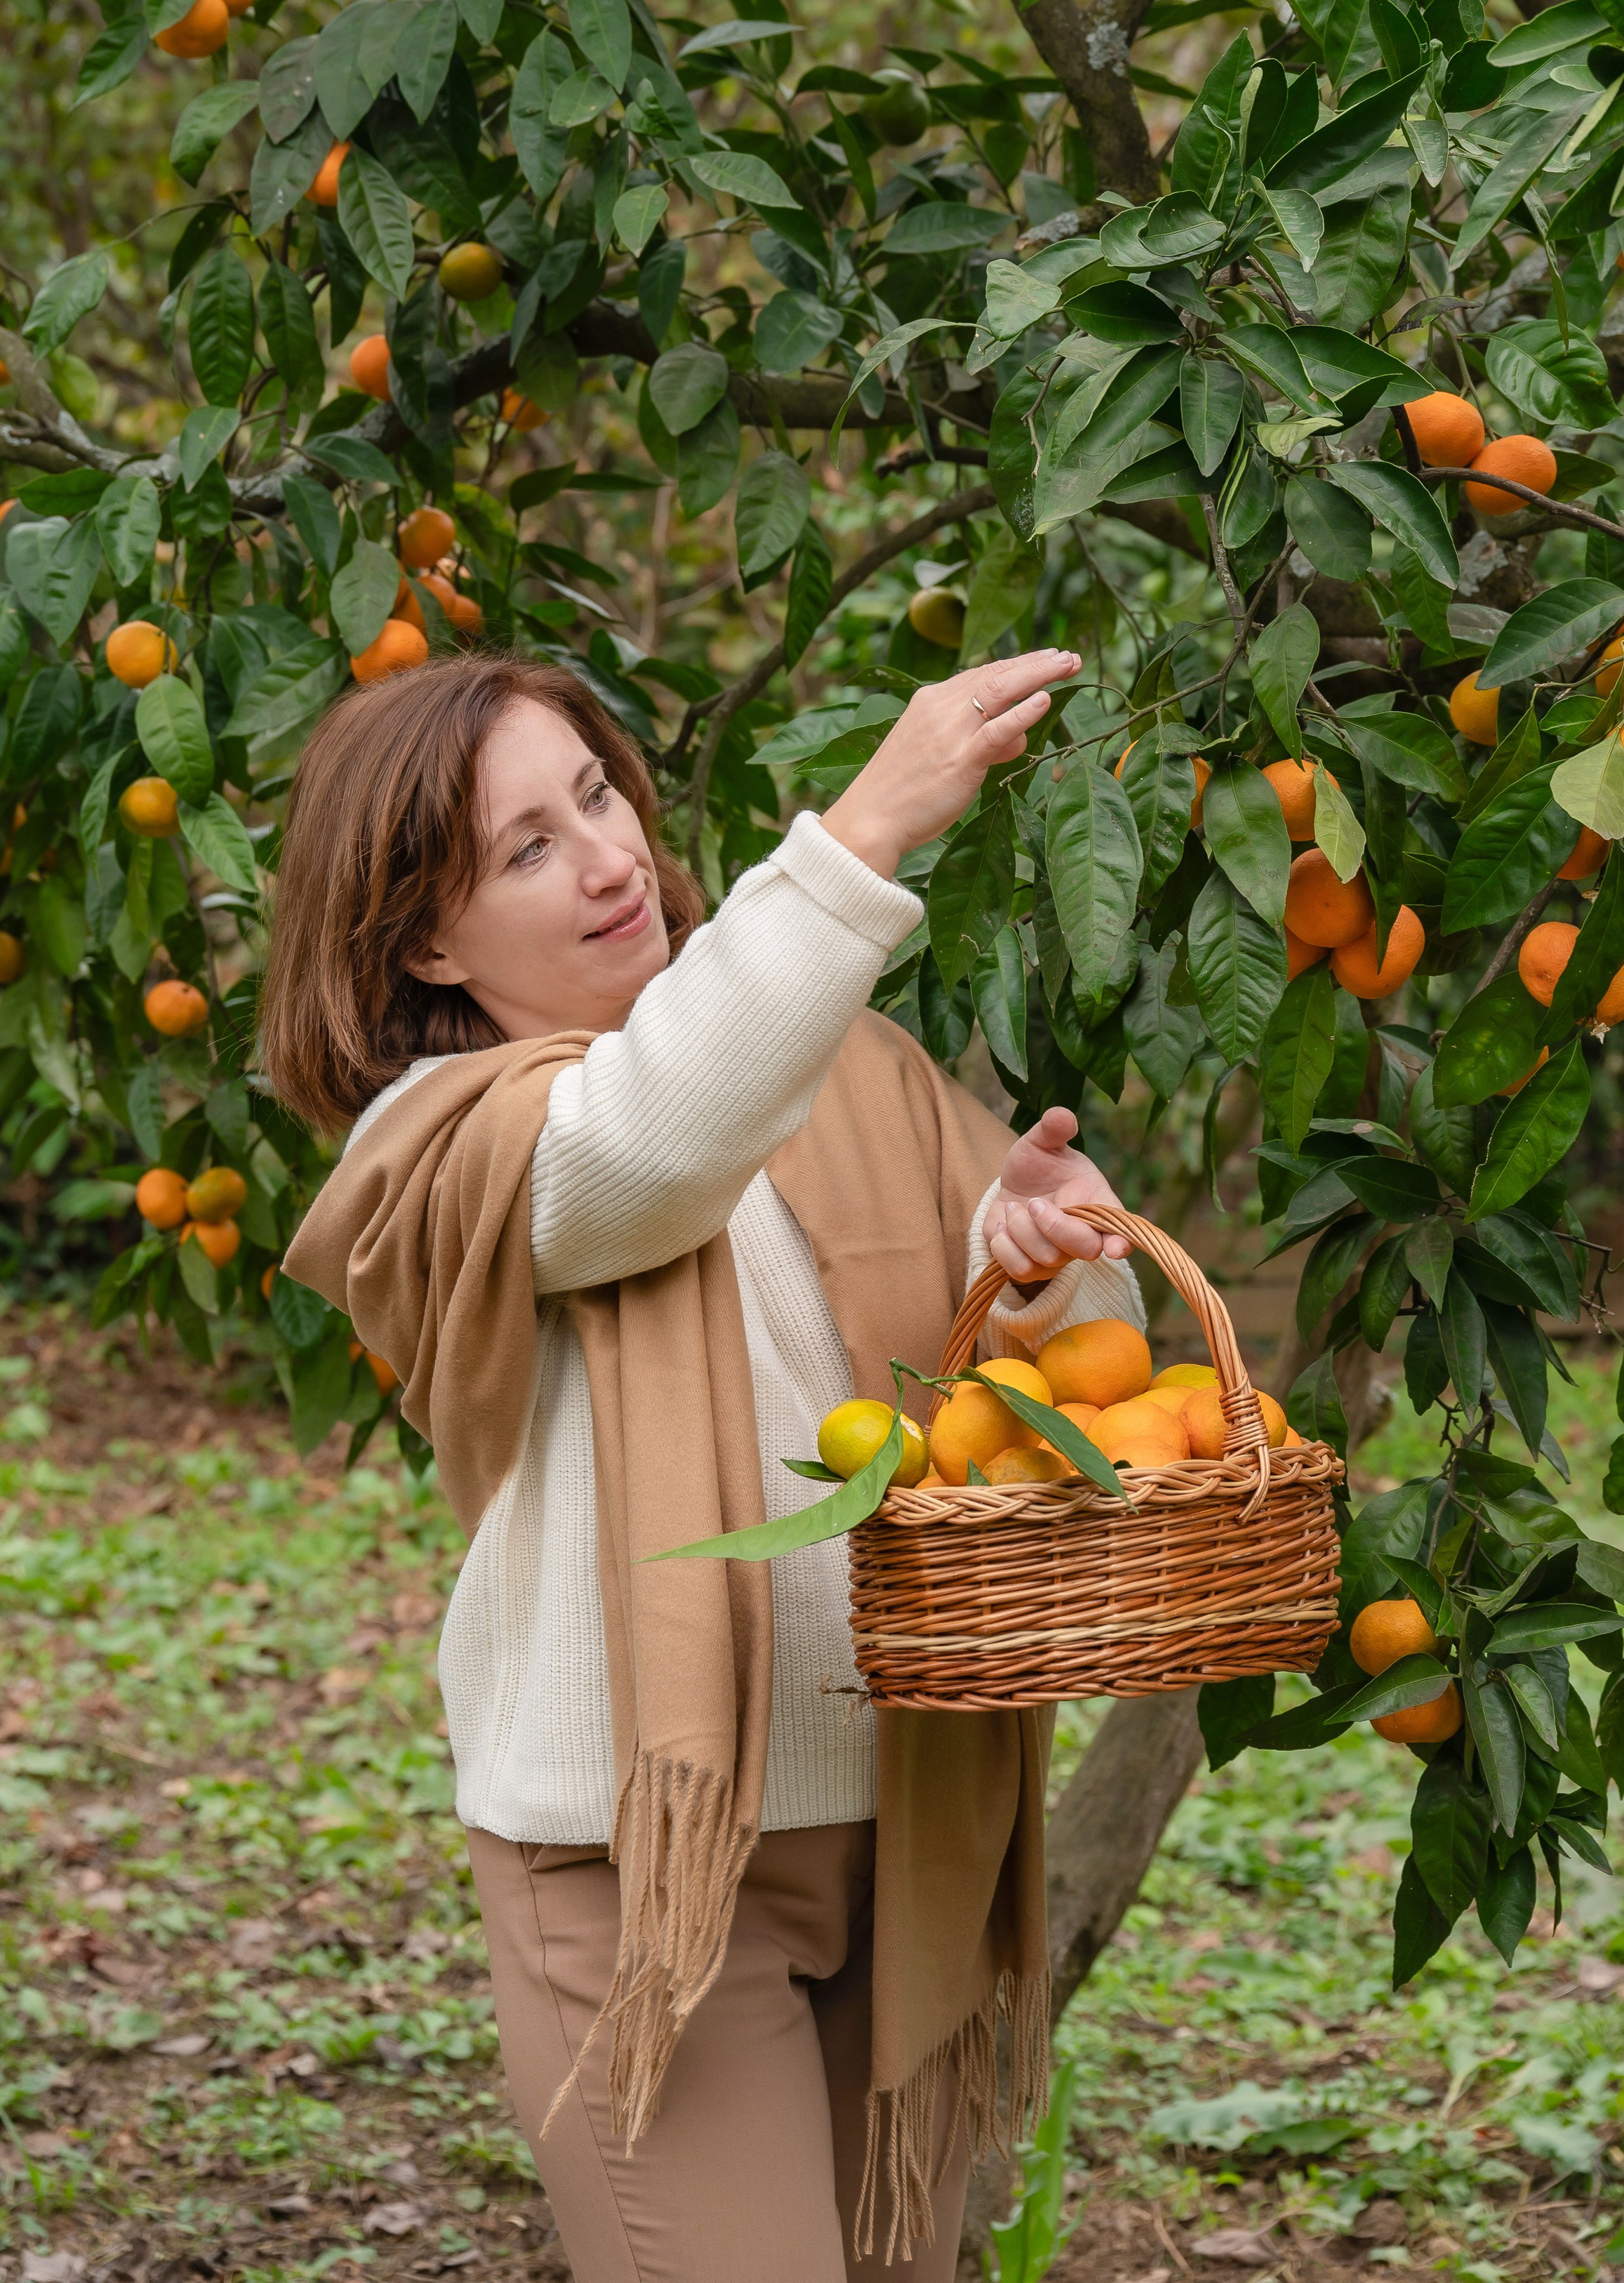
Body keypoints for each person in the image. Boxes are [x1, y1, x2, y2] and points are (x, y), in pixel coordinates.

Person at [264, 648, 1145, 2283]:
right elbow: (647, 1148)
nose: (605, 856)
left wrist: (1045, 1259)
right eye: (525, 846)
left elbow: (1065, 1372)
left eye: (596, 795)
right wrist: (863, 826)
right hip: (639, 1880)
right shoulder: (438, 1145)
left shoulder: (841, 1065)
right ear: (424, 941)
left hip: (908, 1826)